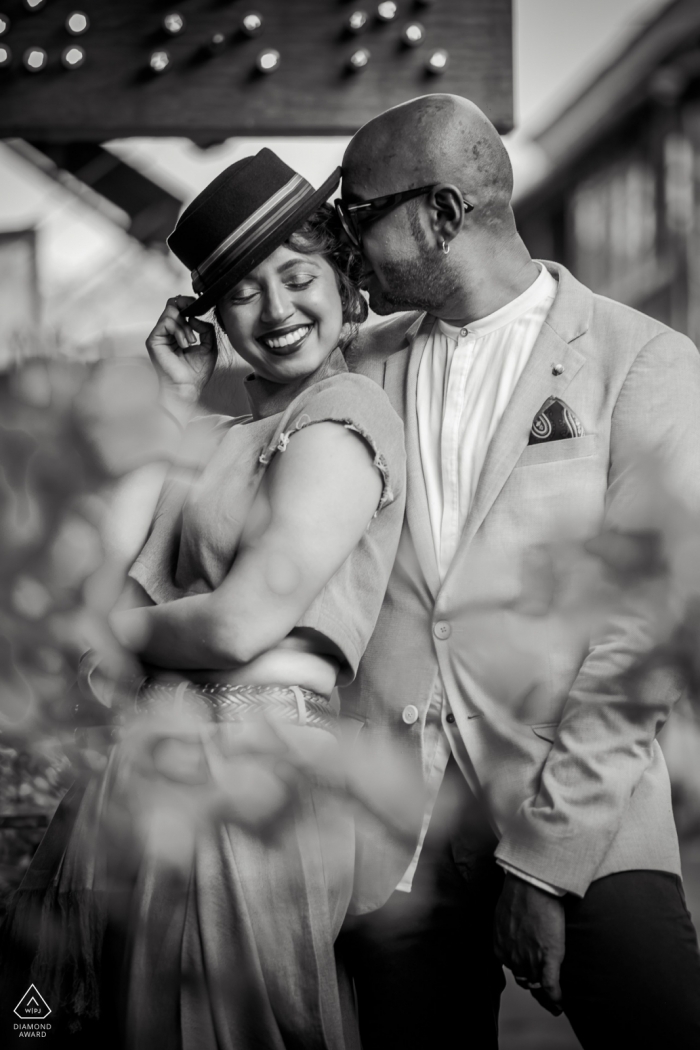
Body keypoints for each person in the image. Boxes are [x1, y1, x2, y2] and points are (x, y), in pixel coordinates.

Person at [0, 148, 406, 1050]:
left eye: (299, 277)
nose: (277, 311)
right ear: (213, 316)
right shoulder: (213, 432)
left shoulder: (345, 415)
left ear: (345, 281)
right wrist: (174, 399)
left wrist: (112, 637)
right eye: (243, 293)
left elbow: (241, 623)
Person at [335, 93, 700, 1050]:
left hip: (587, 815)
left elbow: (644, 638)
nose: (347, 244)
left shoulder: (644, 364)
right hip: (397, 845)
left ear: (443, 214)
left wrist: (543, 869)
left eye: (359, 215)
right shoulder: (357, 373)